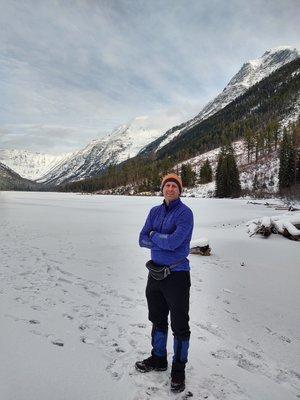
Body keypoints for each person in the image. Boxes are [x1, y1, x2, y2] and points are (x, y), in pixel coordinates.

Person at [136, 173, 194, 393]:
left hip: (177, 275)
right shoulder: (154, 211)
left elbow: (176, 243)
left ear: (180, 190)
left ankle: (178, 370)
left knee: (180, 324)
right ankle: (159, 358)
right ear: (162, 189)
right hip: (156, 274)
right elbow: (141, 238)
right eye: (167, 185)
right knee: (157, 318)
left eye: (174, 186)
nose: (170, 189)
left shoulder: (185, 213)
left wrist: (155, 236)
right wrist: (160, 239)